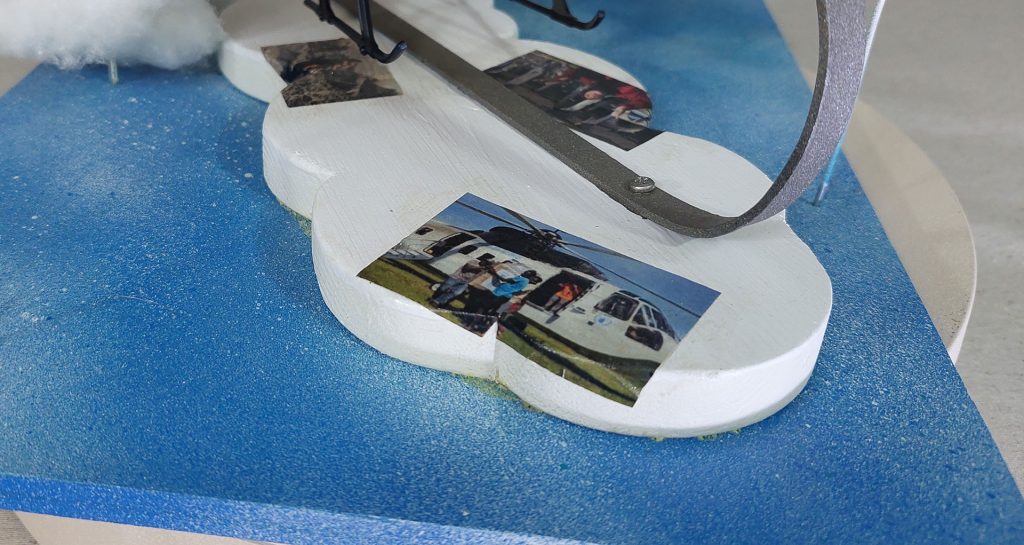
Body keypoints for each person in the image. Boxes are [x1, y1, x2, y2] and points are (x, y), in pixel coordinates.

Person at [429, 253, 495, 307]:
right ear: (483, 260)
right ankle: (433, 298)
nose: (486, 264)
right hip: (456, 277)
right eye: (486, 262)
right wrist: (482, 268)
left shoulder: (484, 270)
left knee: (454, 293)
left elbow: (491, 273)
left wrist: (491, 269)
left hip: (465, 282)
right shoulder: (474, 261)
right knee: (443, 288)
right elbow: (467, 268)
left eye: (488, 264)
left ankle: (437, 302)